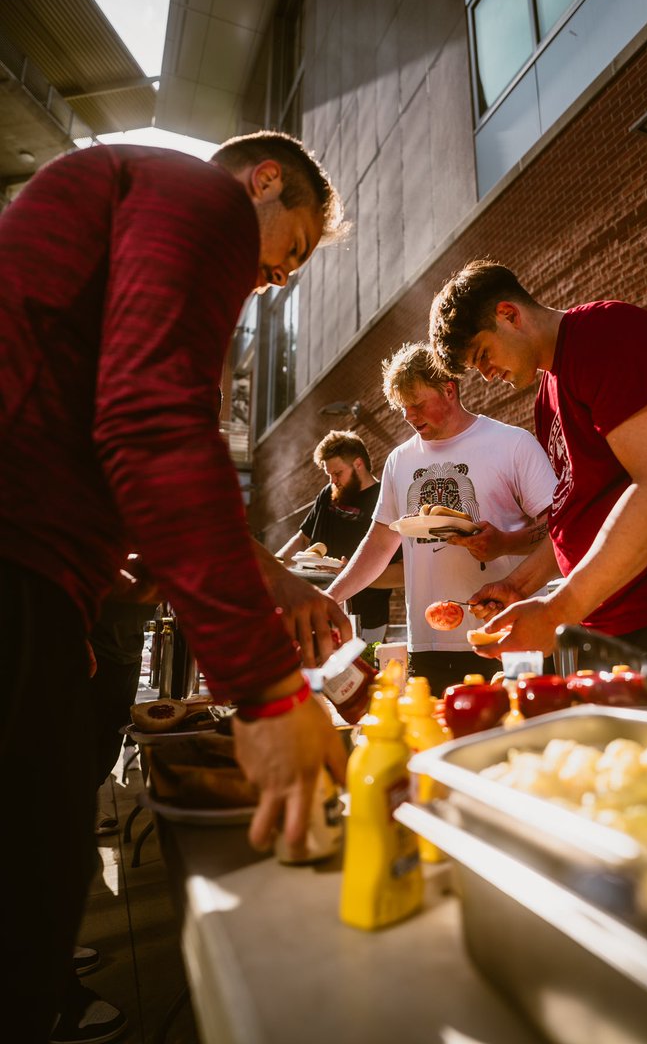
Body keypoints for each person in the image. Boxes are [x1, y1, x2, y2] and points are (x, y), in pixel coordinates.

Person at [0, 130, 352, 1043]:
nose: (279, 276)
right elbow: (151, 424)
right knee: (31, 893)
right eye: (295, 246)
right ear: (264, 181)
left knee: (37, 870)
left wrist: (86, 576)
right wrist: (269, 696)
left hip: (37, 565)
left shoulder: (132, 199)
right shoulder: (197, 200)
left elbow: (106, 420)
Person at [428, 260, 647, 667]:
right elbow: (585, 514)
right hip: (617, 629)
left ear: (509, 314)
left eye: (482, 354)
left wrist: (558, 611)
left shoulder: (607, 335)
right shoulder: (547, 395)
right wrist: (518, 586)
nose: (485, 375)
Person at [326, 343, 557, 694]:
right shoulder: (398, 460)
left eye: (416, 403)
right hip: (428, 648)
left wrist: (505, 543)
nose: (408, 415)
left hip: (508, 638)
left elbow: (558, 528)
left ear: (449, 390)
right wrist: (332, 595)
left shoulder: (513, 444)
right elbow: (379, 542)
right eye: (403, 407)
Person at [276, 430, 403, 644]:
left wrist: (351, 574)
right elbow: (303, 539)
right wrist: (274, 565)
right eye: (329, 475)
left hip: (366, 620)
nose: (333, 480)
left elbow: (401, 574)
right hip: (317, 613)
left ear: (358, 464)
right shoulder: (328, 494)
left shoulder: (384, 500)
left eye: (337, 473)